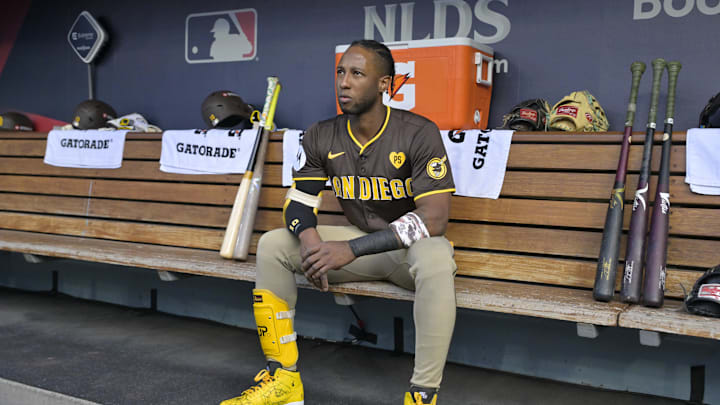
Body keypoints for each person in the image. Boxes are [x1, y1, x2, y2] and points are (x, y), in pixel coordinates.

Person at [221, 39, 457, 405]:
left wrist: (350, 249)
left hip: (403, 254)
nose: (344, 82)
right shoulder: (321, 134)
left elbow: (434, 219)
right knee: (274, 245)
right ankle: (283, 380)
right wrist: (313, 243)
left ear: (384, 84)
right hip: (356, 245)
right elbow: (298, 204)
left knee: (436, 255)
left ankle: (422, 395)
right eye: (341, 72)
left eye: (357, 74)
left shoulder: (417, 132)